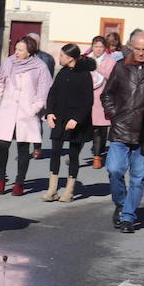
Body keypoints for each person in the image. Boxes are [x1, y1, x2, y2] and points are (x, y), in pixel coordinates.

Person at [101, 30, 144, 233]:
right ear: (130, 46)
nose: (141, 53)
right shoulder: (121, 66)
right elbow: (107, 94)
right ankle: (121, 202)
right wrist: (113, 113)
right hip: (120, 128)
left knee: (138, 177)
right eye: (137, 49)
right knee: (115, 170)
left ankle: (128, 217)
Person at [0, 35, 51, 195]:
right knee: (2, 146)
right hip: (8, 111)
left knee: (23, 149)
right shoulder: (8, 63)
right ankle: (1, 179)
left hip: (26, 114)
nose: (16, 52)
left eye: (20, 50)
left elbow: (44, 93)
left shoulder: (40, 67)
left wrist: (33, 109)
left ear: (29, 52)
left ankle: (20, 183)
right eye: (16, 49)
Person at [42, 44, 97, 202]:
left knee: (73, 154)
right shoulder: (62, 72)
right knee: (55, 152)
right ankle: (52, 189)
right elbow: (52, 93)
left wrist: (77, 119)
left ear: (71, 58)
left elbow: (88, 101)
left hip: (77, 121)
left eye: (62, 56)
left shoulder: (85, 75)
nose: (59, 58)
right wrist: (50, 113)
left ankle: (69, 190)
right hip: (59, 117)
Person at [84, 36, 116, 169]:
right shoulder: (85, 59)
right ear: (92, 47)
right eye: (96, 46)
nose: (98, 49)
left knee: (99, 129)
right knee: (82, 127)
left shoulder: (110, 61)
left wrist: (97, 67)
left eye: (101, 47)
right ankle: (73, 154)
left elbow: (113, 77)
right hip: (85, 97)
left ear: (105, 48)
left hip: (101, 98)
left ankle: (97, 156)